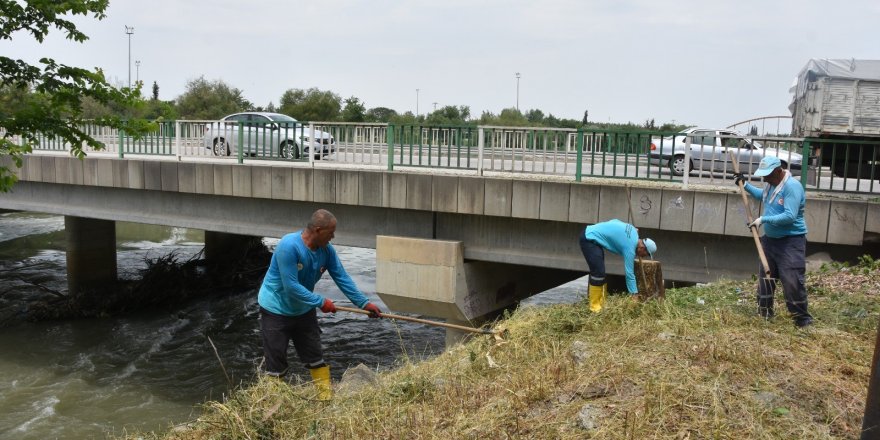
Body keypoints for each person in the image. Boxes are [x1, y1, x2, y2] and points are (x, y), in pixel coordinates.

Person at [257, 209, 383, 400]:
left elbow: (342, 278)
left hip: (303, 309)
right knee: (276, 363)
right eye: (330, 232)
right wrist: (320, 301)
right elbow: (291, 287)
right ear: (317, 230)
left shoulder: (326, 251)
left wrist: (364, 304)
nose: (333, 236)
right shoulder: (288, 246)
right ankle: (275, 405)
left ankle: (325, 400)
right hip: (276, 309)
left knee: (315, 357)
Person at [734, 156, 813, 328]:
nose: (764, 178)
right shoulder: (771, 184)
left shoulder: (792, 187)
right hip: (770, 241)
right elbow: (761, 196)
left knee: (792, 281)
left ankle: (802, 319)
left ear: (778, 171)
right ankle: (765, 314)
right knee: (766, 279)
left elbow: (789, 216)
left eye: (767, 174)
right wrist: (744, 184)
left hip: (790, 242)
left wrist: (763, 219)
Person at [578, 219, 657, 312]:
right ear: (642, 248)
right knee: (598, 274)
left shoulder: (633, 230)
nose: (643, 257)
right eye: (645, 254)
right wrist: (634, 294)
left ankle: (602, 304)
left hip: (594, 237)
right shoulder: (630, 248)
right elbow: (629, 274)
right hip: (589, 238)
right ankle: (594, 308)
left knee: (601, 272)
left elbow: (615, 221)